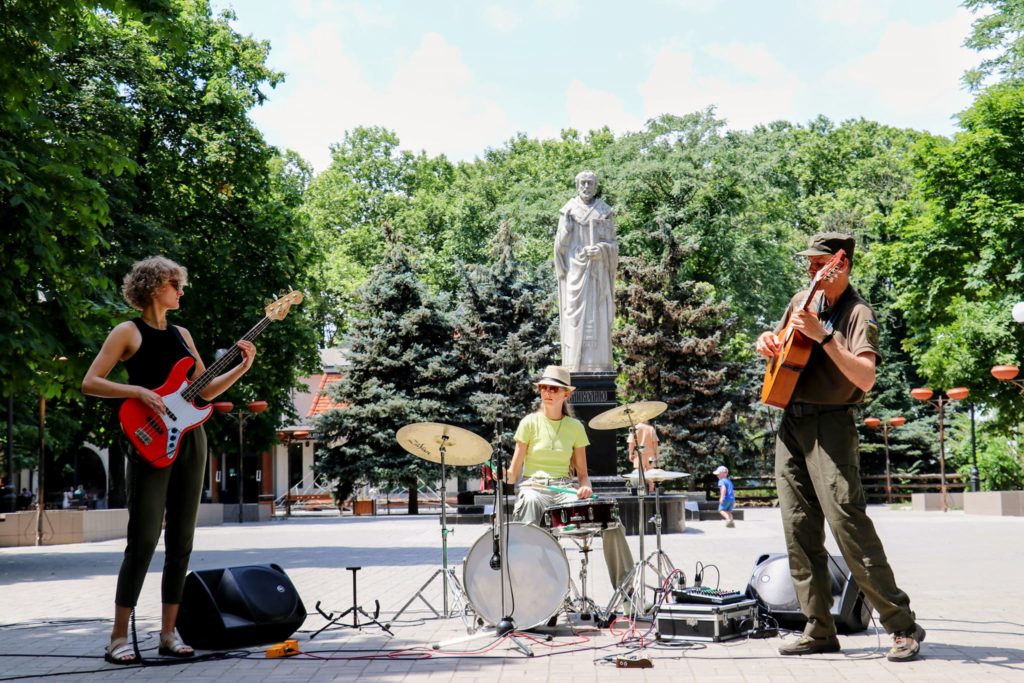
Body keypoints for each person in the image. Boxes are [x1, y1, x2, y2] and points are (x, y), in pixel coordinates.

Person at [755, 232, 924, 662]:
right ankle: (818, 628)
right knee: (797, 528)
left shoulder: (857, 312)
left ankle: (902, 627)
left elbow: (865, 378)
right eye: (809, 264)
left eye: (819, 264)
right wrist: (767, 343)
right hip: (790, 420)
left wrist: (825, 337)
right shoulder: (801, 298)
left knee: (847, 524)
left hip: (830, 426)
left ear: (841, 264)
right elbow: (779, 345)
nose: (811, 271)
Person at [82, 256, 257, 665]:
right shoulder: (127, 332)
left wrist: (241, 368)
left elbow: (203, 390)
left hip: (192, 438)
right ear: (154, 285)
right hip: (149, 439)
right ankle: (117, 637)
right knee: (142, 540)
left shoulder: (183, 335)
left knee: (182, 540)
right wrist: (137, 392)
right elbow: (91, 382)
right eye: (175, 284)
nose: (181, 291)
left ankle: (168, 633)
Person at [505, 365, 633, 593]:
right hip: (534, 487)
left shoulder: (575, 428)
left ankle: (627, 593)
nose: (548, 393)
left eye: (554, 389)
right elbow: (513, 474)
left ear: (566, 394)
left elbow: (583, 476)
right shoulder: (529, 423)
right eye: (544, 388)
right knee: (530, 502)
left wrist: (585, 488)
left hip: (564, 489)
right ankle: (529, 591)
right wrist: (500, 475)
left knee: (610, 517)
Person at [555, 171, 618, 372]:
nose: (586, 186)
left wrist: (600, 251)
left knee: (598, 317)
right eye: (582, 183)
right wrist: (565, 230)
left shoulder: (604, 212)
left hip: (597, 274)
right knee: (572, 316)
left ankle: (596, 367)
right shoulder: (568, 211)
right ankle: (575, 365)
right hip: (576, 271)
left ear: (596, 185)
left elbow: (613, 246)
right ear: (576, 185)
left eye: (590, 183)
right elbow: (559, 249)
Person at [626, 421, 659, 492]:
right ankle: (651, 490)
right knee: (651, 472)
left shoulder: (634, 428)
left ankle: (642, 491)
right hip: (650, 455)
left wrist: (630, 454)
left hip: (639, 454)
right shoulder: (651, 428)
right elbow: (655, 443)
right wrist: (656, 455)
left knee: (640, 473)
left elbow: (631, 443)